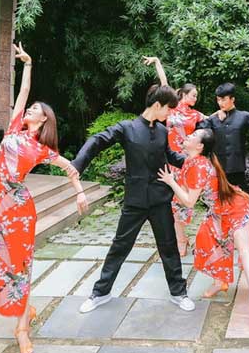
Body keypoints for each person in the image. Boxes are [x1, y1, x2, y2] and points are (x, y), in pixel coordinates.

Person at [0, 44, 88, 353]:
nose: (29, 110)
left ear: (43, 119)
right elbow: (23, 94)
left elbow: (70, 168)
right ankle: (26, 308)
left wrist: (80, 193)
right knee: (0, 262)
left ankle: (22, 328)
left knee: (20, 266)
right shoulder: (14, 129)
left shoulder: (41, 150)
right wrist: (27, 64)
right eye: (30, 108)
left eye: (35, 109)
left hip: (19, 210)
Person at [73, 84, 193, 314]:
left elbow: (170, 156)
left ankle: (179, 293)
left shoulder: (162, 131)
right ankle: (100, 293)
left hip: (160, 199)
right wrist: (77, 165)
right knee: (120, 246)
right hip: (135, 201)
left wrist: (195, 160)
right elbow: (97, 140)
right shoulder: (127, 128)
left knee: (169, 247)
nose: (170, 113)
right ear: (157, 105)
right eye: (168, 109)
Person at [158, 129, 249, 330]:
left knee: (245, 252)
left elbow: (189, 201)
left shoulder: (199, 165)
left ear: (199, 146)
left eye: (193, 136)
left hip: (235, 210)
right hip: (217, 212)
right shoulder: (191, 161)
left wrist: (171, 181)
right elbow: (185, 189)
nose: (188, 136)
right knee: (206, 242)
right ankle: (220, 282)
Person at [198, 83, 249, 249]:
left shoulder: (244, 116)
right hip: (217, 170)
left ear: (232, 99)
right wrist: (212, 116)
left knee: (248, 203)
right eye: (218, 100)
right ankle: (213, 240)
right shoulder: (213, 119)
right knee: (215, 206)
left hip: (237, 169)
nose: (220, 103)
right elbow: (199, 131)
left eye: (224, 99)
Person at [142, 56, 206, 256]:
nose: (195, 99)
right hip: (170, 160)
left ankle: (184, 237)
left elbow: (214, 121)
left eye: (196, 96)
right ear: (183, 94)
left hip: (186, 161)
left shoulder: (196, 115)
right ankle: (181, 240)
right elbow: (164, 84)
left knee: (183, 201)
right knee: (171, 202)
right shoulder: (172, 107)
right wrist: (157, 62)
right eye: (193, 95)